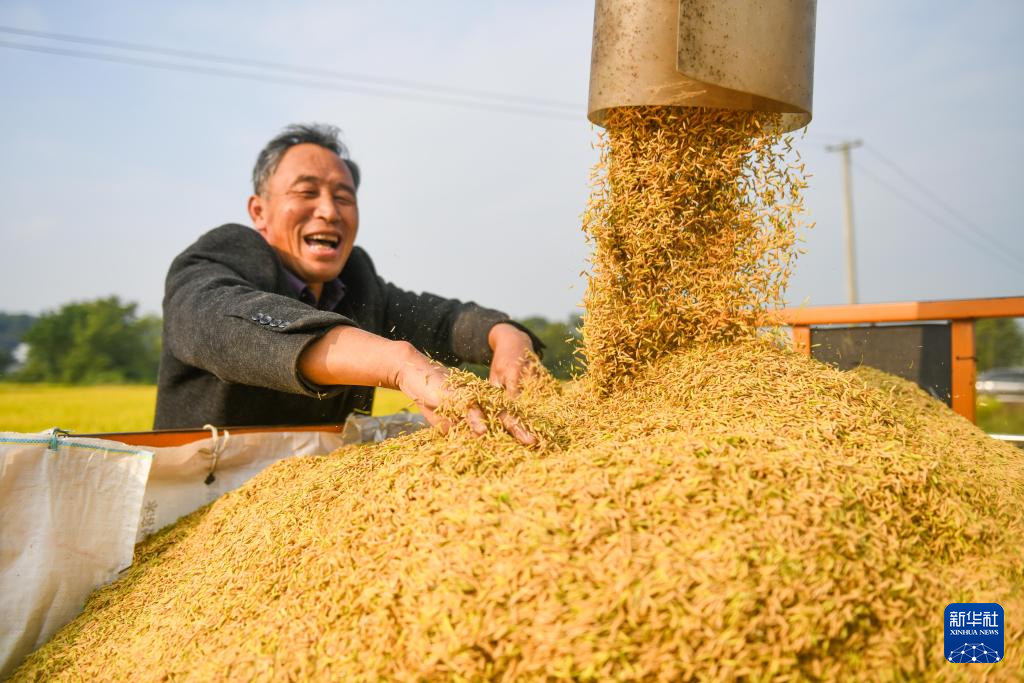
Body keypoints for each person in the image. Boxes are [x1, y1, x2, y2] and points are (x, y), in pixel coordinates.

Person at [154, 123, 542, 443]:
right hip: (200, 500)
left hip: (318, 498)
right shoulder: (220, 258)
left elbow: (447, 322)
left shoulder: (356, 283)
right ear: (259, 211)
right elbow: (222, 322)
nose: (328, 211)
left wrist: (506, 337)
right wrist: (398, 363)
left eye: (343, 197)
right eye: (306, 192)